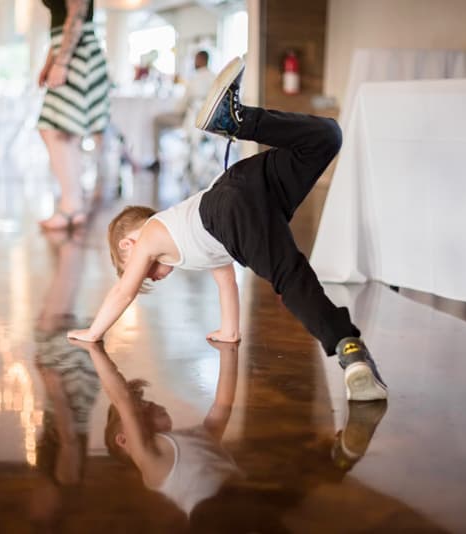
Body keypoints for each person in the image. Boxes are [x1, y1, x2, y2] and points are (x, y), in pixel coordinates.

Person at [68, 57, 388, 402]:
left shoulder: (149, 237)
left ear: (130, 243)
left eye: (143, 273)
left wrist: (94, 332)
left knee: (291, 277)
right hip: (248, 186)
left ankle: (346, 345)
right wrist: (230, 331)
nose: (152, 278)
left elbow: (122, 293)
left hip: (227, 206)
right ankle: (237, 119)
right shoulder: (194, 242)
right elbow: (226, 283)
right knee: (325, 137)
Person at [70, 338, 241, 517]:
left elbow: (223, 405)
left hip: (243, 502)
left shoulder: (200, 434)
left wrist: (229, 350)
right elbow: (123, 399)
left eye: (143, 401)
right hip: (213, 518)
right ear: (124, 439)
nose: (149, 404)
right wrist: (94, 348)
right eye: (140, 406)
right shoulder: (150, 459)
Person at [37, 0, 110, 230]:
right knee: (64, 133)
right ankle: (74, 204)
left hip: (78, 52)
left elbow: (76, 18)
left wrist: (61, 62)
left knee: (53, 129)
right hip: (70, 49)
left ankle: (72, 205)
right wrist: (49, 62)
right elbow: (61, 24)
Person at [149, 50, 215, 169]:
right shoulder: (214, 78)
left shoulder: (194, 79)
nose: (194, 62)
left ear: (201, 60)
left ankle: (157, 158)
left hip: (192, 120)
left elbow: (181, 107)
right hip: (210, 121)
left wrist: (176, 109)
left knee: (156, 120)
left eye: (196, 59)